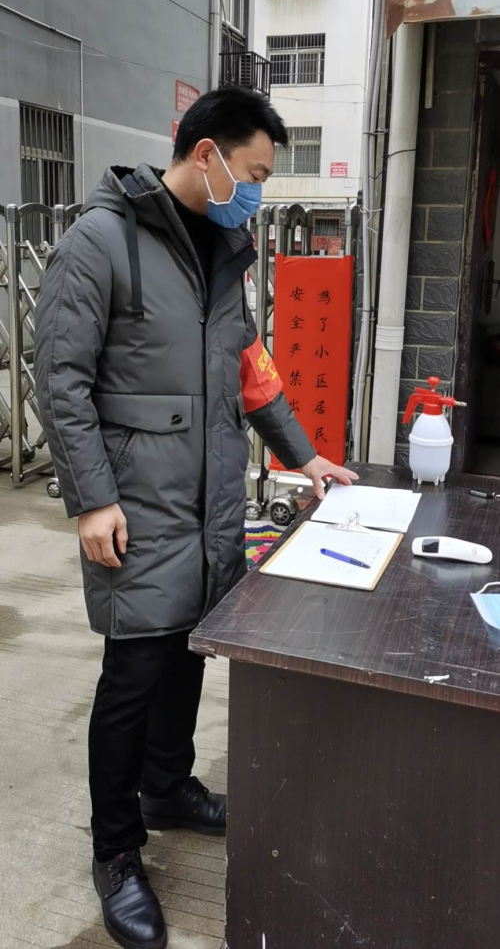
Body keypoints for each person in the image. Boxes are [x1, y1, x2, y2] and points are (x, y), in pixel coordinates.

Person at [34, 85, 357, 949]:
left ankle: (167, 787)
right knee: (132, 676)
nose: (256, 192)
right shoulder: (100, 241)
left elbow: (252, 370)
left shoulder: (221, 249)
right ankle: (116, 849)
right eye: (255, 172)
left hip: (209, 506)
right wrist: (91, 498)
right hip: (135, 507)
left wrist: (305, 457)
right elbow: (60, 380)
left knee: (187, 656)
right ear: (206, 153)